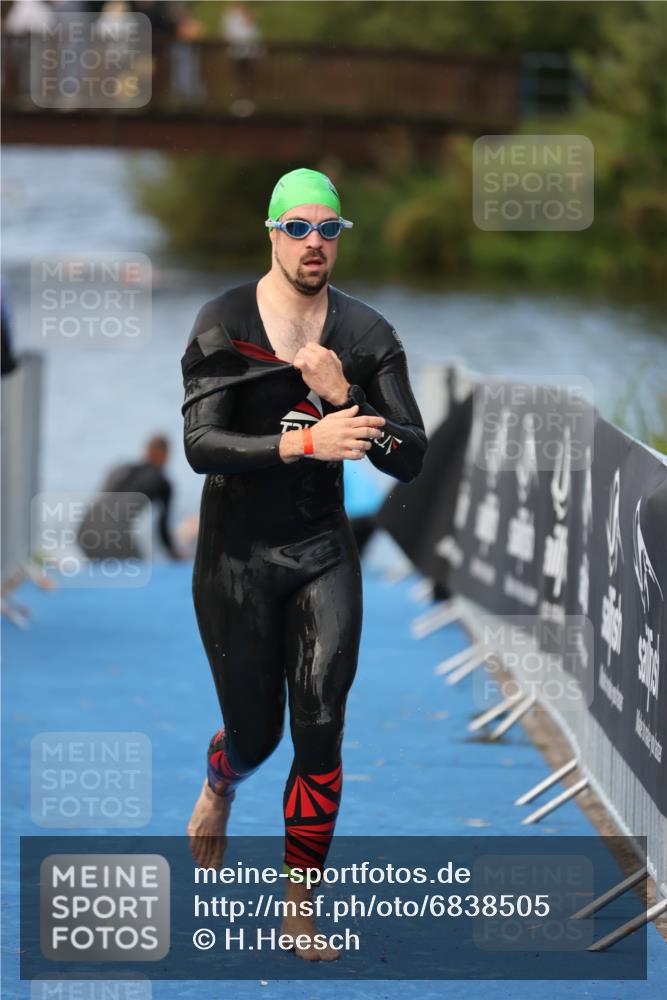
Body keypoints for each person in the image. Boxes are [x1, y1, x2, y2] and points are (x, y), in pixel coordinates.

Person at [182, 167, 427, 961]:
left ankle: (299, 911)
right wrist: (303, 439)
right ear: (272, 233)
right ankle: (222, 777)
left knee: (320, 728)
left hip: (322, 553)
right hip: (234, 559)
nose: (314, 242)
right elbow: (199, 446)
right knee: (257, 737)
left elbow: (409, 456)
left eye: (328, 229)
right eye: (299, 228)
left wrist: (345, 395)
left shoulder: (365, 335)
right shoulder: (222, 321)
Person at [77, 434, 183, 561]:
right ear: (164, 454)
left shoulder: (120, 469)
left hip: (85, 531)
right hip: (114, 535)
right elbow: (162, 530)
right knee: (138, 571)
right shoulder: (162, 482)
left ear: (147, 450)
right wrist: (176, 556)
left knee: (107, 572)